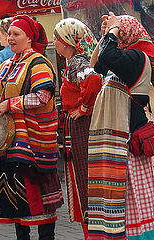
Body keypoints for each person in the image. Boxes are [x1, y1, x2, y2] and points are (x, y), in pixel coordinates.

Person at [0, 15, 64, 240]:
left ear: (29, 38)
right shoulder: (6, 64)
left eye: (16, 34)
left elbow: (43, 96)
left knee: (37, 198)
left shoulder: (38, 62)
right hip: (10, 143)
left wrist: (9, 104)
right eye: (9, 34)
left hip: (33, 143)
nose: (10, 38)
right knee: (16, 199)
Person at [88, 12, 154, 239]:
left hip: (127, 146)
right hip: (114, 145)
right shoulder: (124, 59)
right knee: (118, 201)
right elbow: (96, 64)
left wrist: (113, 31)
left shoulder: (138, 58)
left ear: (126, 33)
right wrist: (107, 33)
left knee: (132, 201)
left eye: (118, 32)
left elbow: (108, 56)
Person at [53, 18, 102, 239]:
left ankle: (93, 232)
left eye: (56, 37)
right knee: (82, 179)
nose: (54, 42)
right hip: (78, 128)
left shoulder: (77, 63)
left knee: (84, 179)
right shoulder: (74, 62)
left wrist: (82, 108)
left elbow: (93, 81)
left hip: (82, 128)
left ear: (65, 41)